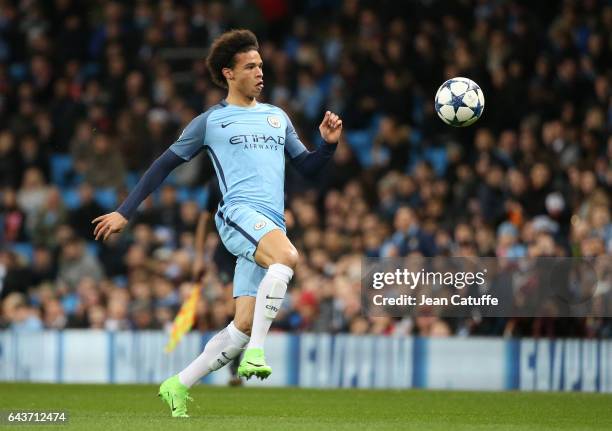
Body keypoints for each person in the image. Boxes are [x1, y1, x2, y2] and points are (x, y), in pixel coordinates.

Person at [91, 29, 342, 418]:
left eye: (261, 65)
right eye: (251, 66)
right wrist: (126, 210)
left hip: (269, 222)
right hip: (237, 215)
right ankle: (255, 353)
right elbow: (164, 165)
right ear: (228, 73)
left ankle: (178, 384)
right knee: (288, 258)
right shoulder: (211, 122)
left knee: (242, 322)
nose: (261, 72)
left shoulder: (277, 118)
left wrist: (327, 145)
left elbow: (307, 168)